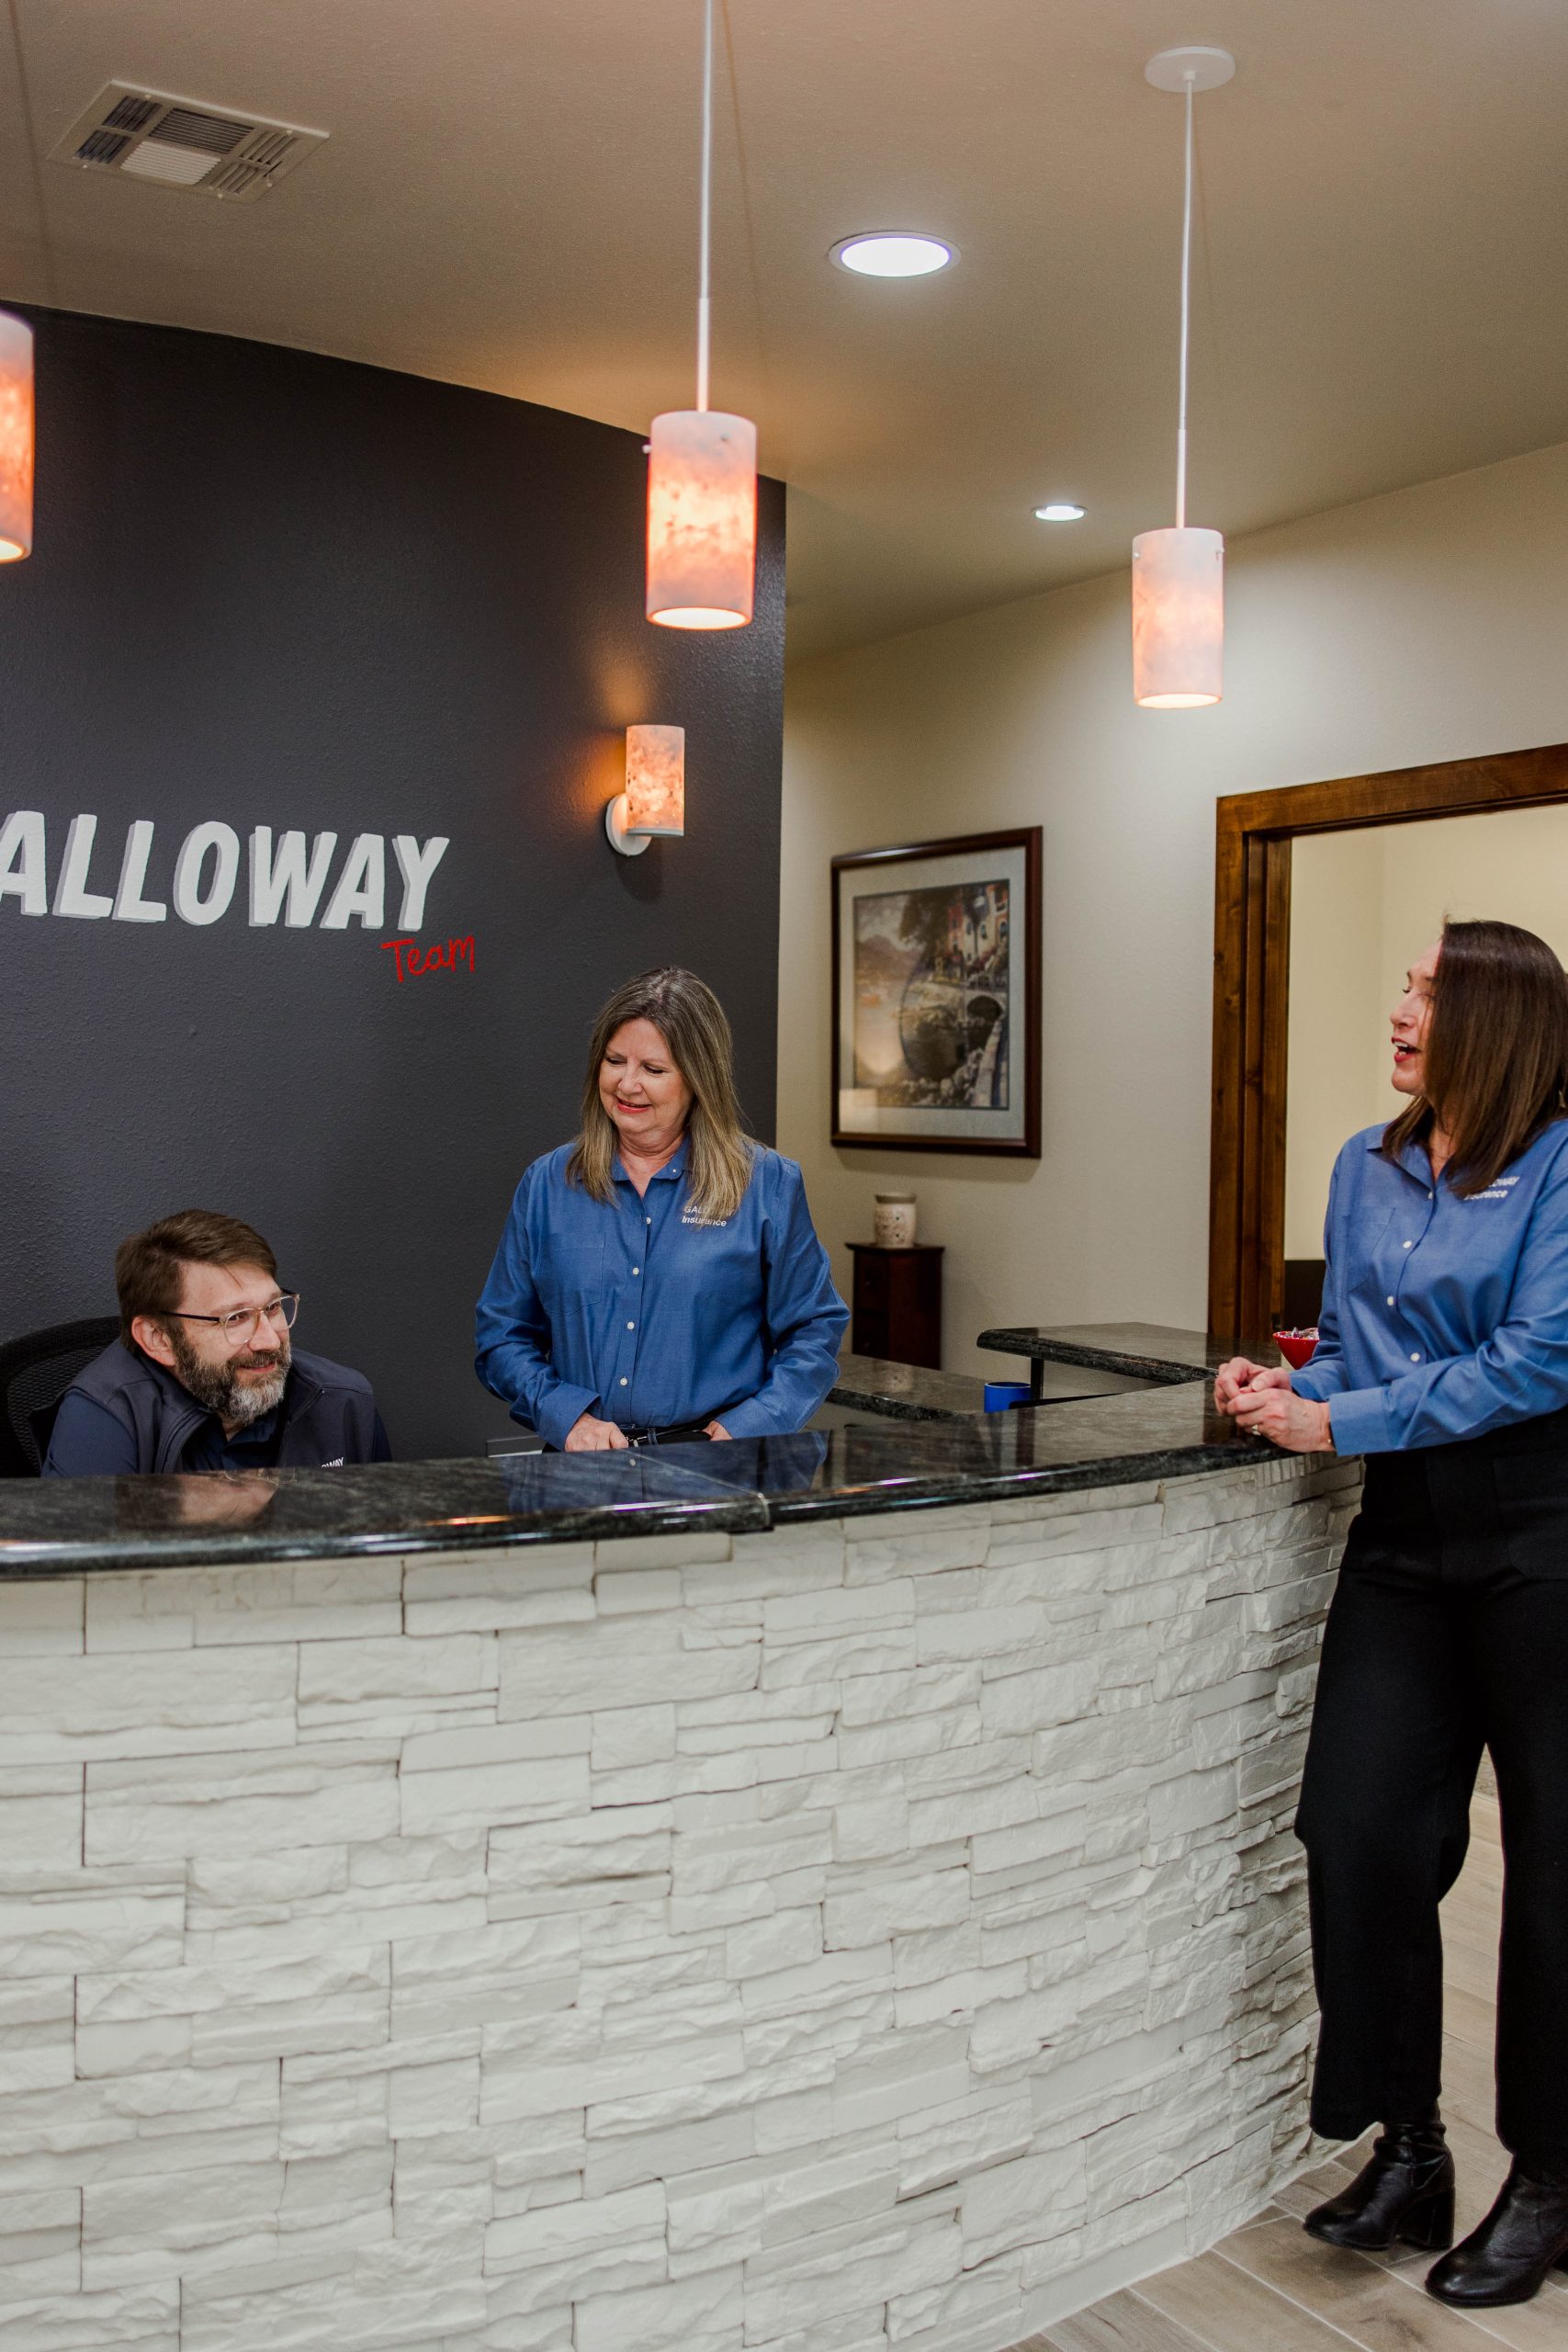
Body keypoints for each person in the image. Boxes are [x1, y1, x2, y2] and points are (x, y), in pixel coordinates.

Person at [1214, 919, 1568, 2310]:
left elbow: (1537, 1358)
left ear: (1495, 1022)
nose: (1400, 1008)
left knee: (1551, 1869)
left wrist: (1341, 1415)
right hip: (1405, 1536)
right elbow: (1357, 1352)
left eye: (1424, 991)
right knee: (1355, 1826)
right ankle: (1408, 2146)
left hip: (1543, 1531)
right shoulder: (1363, 1165)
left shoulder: (1559, 1163)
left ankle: (1548, 2180)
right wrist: (1282, 1386)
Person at [476, 966, 847, 1450]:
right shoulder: (548, 1184)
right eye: (614, 1061)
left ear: (698, 1079)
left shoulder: (767, 1184)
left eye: (653, 1070)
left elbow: (814, 1330)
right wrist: (567, 1418)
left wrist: (750, 1427)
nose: (627, 1084)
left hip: (715, 1467)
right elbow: (502, 1336)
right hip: (581, 1468)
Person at [43, 1209, 391, 1475]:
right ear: (158, 1339)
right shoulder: (105, 1414)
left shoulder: (343, 1403)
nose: (269, 1340)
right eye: (235, 1318)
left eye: (273, 1308)